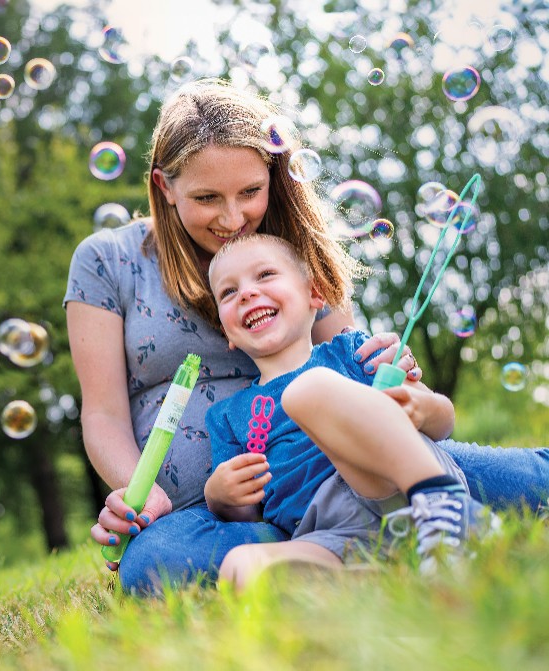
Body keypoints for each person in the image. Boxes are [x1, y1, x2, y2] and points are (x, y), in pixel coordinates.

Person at [64, 78, 549, 592]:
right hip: (240, 510)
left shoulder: (296, 249)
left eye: (250, 191)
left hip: (357, 465)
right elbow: (102, 413)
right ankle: (374, 545)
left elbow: (362, 377)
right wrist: (146, 494)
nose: (234, 219)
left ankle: (433, 504)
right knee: (152, 562)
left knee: (517, 481)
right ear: (164, 187)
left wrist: (397, 373)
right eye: (207, 198)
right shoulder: (106, 261)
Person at [203, 233, 497, 589]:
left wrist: (421, 406)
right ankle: (382, 583)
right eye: (228, 292)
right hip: (328, 533)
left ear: (315, 295)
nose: (247, 293)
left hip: (394, 485)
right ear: (226, 333)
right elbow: (248, 510)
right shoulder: (226, 416)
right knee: (241, 567)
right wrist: (219, 496)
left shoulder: (352, 351)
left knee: (305, 391)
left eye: (265, 275)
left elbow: (443, 420)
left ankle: (447, 505)